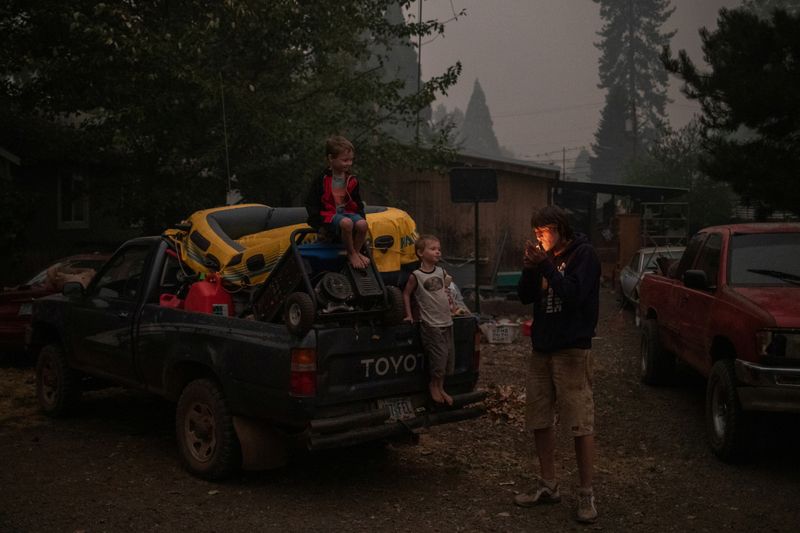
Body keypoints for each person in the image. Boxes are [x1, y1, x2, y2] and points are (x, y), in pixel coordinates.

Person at [513, 205, 601, 524]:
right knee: (539, 418)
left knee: (579, 422)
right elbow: (525, 297)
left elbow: (574, 295)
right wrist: (528, 269)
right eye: (536, 233)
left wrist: (546, 266)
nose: (539, 238)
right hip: (543, 349)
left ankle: (586, 494)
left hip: (572, 351)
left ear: (560, 228)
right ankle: (548, 485)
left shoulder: (584, 255)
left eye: (544, 232)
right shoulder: (543, 259)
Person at [402, 234, 455, 405]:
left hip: (447, 321)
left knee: (447, 357)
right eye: (433, 249)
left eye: (439, 249)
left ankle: (441, 387)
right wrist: (409, 314)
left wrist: (452, 304)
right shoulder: (416, 275)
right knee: (438, 358)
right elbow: (406, 294)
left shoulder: (441, 272)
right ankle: (433, 385)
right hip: (430, 324)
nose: (438, 252)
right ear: (420, 253)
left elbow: (446, 290)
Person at [304, 135, 370, 269]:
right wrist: (318, 223)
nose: (349, 163)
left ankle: (356, 252)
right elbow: (311, 202)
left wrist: (360, 216)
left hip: (346, 211)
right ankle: (351, 253)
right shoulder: (322, 179)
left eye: (351, 160)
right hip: (328, 213)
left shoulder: (351, 179)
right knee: (346, 223)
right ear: (331, 158)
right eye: (344, 160)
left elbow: (356, 202)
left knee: (363, 225)